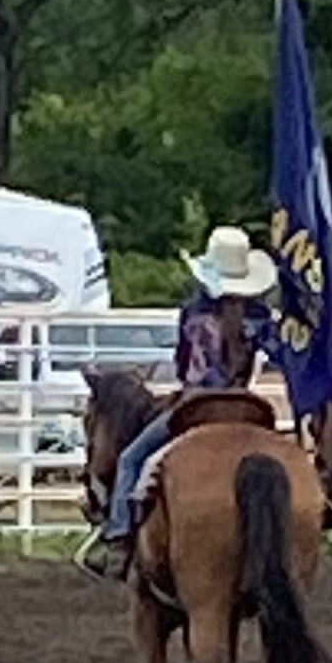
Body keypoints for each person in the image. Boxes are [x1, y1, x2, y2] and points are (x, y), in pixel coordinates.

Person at [79, 224, 278, 575]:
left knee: (131, 459)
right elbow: (281, 354)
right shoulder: (259, 316)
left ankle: (119, 536)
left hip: (197, 405)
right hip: (244, 405)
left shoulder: (195, 313)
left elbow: (192, 368)